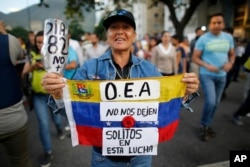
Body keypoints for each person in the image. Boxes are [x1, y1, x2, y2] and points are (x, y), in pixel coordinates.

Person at [41, 9, 199, 167]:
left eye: (126, 27)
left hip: (141, 158)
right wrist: (57, 95)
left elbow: (165, 108)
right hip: (104, 159)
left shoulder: (149, 70)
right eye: (114, 27)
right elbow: (72, 112)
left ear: (134, 35)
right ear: (107, 34)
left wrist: (185, 93)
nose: (120, 32)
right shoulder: (89, 69)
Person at [22, 31, 64, 167]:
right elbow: (23, 73)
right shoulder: (31, 55)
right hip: (38, 95)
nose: (40, 45)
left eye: (43, 42)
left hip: (52, 94)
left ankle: (59, 129)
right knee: (43, 124)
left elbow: (60, 75)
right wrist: (32, 67)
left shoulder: (55, 55)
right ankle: (48, 151)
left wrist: (48, 68)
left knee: (57, 118)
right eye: (38, 42)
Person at [192, 13, 235, 141]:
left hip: (222, 76)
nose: (216, 25)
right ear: (210, 24)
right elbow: (195, 58)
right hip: (207, 75)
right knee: (210, 101)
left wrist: (230, 63)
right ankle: (204, 125)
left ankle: (208, 123)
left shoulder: (228, 38)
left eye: (219, 22)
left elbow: (232, 55)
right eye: (214, 22)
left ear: (223, 24)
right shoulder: (203, 39)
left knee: (216, 103)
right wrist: (206, 65)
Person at [0, 21, 33, 167]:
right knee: (21, 160)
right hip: (13, 119)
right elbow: (19, 55)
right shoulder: (8, 41)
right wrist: (3, 32)